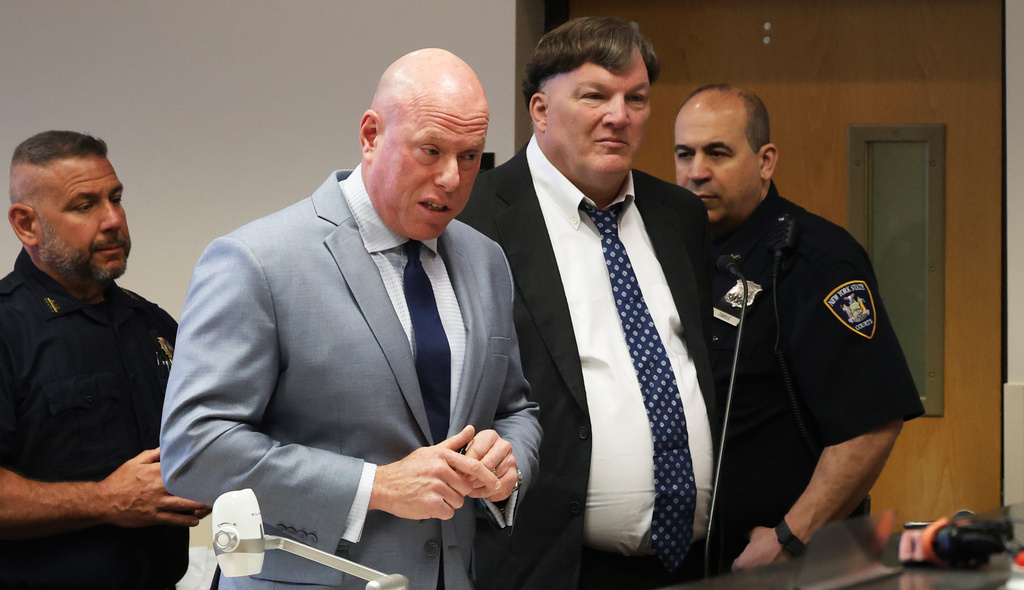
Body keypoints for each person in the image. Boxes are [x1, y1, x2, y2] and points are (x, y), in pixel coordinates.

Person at [159, 49, 541, 590]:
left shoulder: (486, 260)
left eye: (472, 156)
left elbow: (515, 409)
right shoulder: (257, 260)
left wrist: (508, 465)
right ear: (370, 134)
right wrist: (376, 487)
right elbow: (195, 449)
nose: (453, 178)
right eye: (431, 150)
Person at [459, 17, 717, 590]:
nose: (619, 116)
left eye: (637, 98)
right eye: (595, 96)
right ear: (541, 110)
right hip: (544, 566)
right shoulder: (472, 218)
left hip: (692, 566)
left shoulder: (680, 216)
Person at [673, 84, 925, 571]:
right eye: (685, 153)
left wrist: (791, 536)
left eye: (718, 153)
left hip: (781, 559)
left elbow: (871, 423)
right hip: (689, 555)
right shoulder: (678, 254)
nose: (696, 171)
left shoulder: (814, 259)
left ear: (766, 161)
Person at [0, 130, 209, 589]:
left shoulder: (152, 323)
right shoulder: (8, 330)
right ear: (26, 224)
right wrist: (103, 500)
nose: (113, 219)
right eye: (85, 205)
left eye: (116, 198)